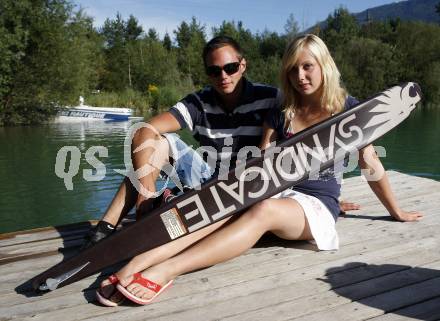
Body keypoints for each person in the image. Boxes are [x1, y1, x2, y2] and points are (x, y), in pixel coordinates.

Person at [95, 34, 423, 306]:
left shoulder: (348, 110)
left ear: (324, 66)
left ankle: (167, 270)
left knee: (262, 208)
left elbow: (370, 162)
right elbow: (262, 161)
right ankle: (139, 262)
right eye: (293, 70)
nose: (301, 77)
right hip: (275, 192)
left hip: (314, 207)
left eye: (308, 67)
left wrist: (395, 211)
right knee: (223, 205)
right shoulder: (283, 111)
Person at [82, 35, 281, 249]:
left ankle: (109, 227)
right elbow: (143, 131)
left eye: (230, 67)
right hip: (208, 180)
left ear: (243, 65)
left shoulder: (271, 98)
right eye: (214, 71)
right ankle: (112, 225)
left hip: (248, 188)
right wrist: (145, 196)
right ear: (207, 73)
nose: (223, 76)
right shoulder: (198, 102)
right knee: (155, 144)